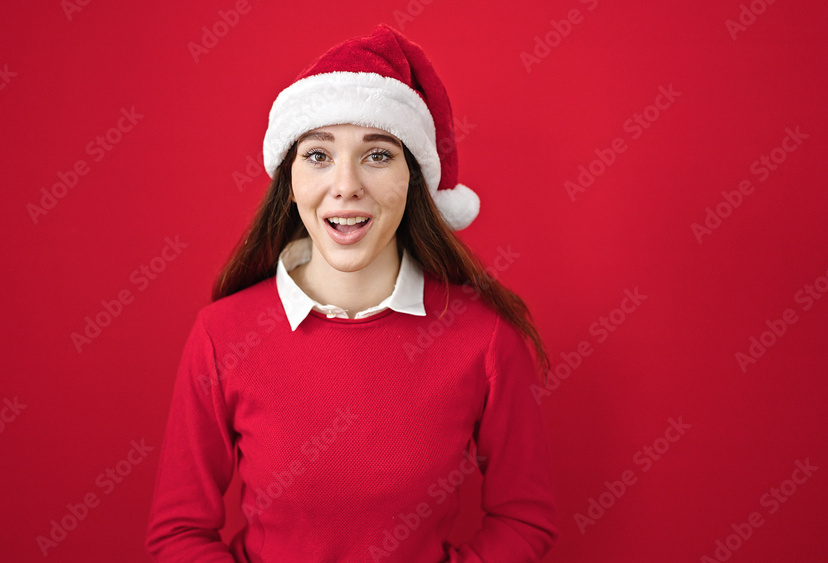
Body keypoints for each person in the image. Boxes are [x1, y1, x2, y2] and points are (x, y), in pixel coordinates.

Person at [146, 23, 557, 562]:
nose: (346, 185)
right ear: (289, 181)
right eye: (318, 155)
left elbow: (525, 520)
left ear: (413, 179)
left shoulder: (485, 337)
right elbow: (176, 536)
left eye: (378, 155)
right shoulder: (221, 336)